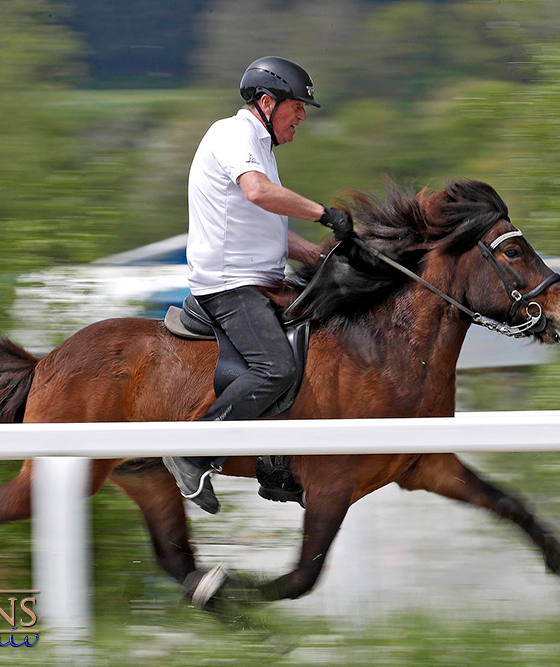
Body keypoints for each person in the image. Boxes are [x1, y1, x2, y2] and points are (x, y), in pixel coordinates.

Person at [163, 56, 353, 514]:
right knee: (277, 369)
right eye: (297, 106)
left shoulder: (260, 145)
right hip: (229, 287)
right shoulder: (234, 134)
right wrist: (325, 213)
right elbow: (258, 194)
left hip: (260, 279)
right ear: (267, 103)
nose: (302, 115)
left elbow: (262, 225)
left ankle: (281, 460)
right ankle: (192, 453)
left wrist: (320, 253)